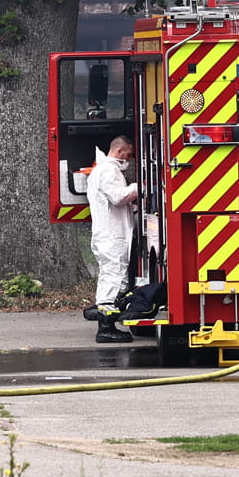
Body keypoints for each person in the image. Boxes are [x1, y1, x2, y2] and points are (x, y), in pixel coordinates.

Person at [88, 135, 141, 343]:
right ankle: (106, 327)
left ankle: (106, 320)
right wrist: (139, 187)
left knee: (110, 275)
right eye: (128, 155)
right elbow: (117, 197)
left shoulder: (101, 170)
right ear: (119, 151)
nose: (129, 160)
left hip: (108, 232)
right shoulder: (108, 170)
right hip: (112, 235)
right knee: (114, 277)